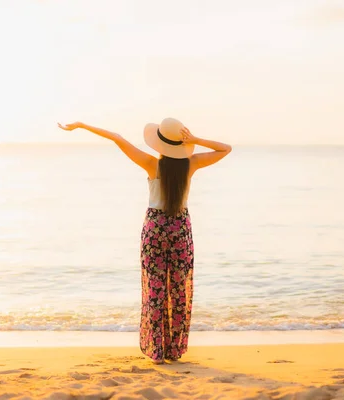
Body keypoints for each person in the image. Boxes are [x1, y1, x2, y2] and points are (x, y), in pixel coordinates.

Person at [57, 118, 232, 364]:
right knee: (179, 289)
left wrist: (83, 126)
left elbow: (117, 137)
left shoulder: (151, 164)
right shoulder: (190, 165)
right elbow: (226, 149)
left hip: (155, 228)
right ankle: (174, 349)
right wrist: (195, 140)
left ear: (159, 144)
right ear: (181, 144)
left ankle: (157, 351)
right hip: (180, 227)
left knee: (155, 288)